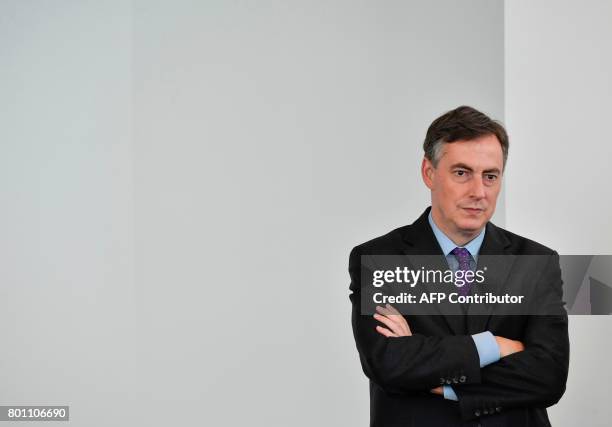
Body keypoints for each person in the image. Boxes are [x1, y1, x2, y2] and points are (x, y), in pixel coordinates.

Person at [348, 106, 569, 426]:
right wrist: (495, 345)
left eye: (490, 176)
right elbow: (389, 363)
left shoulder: (539, 261)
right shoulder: (377, 258)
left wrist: (443, 379)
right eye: (462, 173)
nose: (478, 192)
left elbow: (549, 375)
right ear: (429, 172)